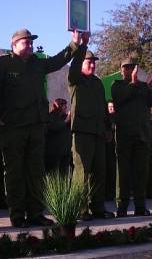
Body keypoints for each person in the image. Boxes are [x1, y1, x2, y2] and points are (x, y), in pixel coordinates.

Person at [0, 28, 87, 228]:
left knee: (36, 171)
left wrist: (75, 43)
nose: (30, 45)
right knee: (15, 172)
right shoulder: (3, 64)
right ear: (14, 44)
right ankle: (17, 215)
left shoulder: (36, 63)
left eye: (31, 42)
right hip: (13, 126)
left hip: (36, 126)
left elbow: (58, 61)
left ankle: (35, 213)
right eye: (26, 42)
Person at [68, 49, 114, 220]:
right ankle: (80, 209)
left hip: (98, 132)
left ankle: (98, 208)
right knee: (82, 172)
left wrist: (108, 127)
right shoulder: (75, 80)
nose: (93, 65)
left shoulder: (97, 83)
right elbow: (73, 68)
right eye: (89, 62)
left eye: (94, 62)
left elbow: (103, 107)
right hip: (82, 132)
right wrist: (80, 49)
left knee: (99, 172)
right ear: (81, 63)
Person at [112, 57, 152, 217]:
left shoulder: (143, 87)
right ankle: (122, 207)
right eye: (126, 67)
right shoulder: (117, 85)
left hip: (142, 135)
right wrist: (133, 83)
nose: (129, 70)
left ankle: (140, 206)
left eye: (131, 67)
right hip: (125, 135)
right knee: (123, 172)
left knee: (141, 172)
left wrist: (149, 86)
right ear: (121, 70)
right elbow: (121, 98)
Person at [44, 98, 72, 175]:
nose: (66, 108)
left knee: (64, 176)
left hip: (65, 152)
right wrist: (66, 120)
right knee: (54, 175)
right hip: (54, 154)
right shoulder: (51, 116)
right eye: (64, 106)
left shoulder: (65, 117)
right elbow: (54, 127)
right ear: (59, 106)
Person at [105, 99, 117, 201]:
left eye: (113, 107)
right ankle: (108, 193)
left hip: (117, 148)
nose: (112, 109)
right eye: (110, 107)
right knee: (109, 171)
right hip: (108, 148)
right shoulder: (106, 119)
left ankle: (114, 192)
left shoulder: (118, 118)